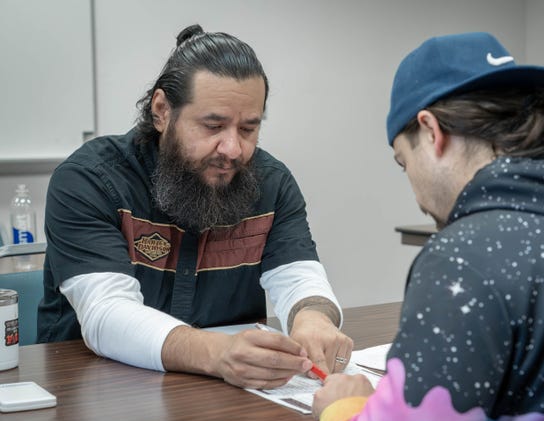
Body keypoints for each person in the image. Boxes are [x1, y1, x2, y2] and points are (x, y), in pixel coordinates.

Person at [312, 32, 544, 421]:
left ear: (430, 131)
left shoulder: (466, 257)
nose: (416, 194)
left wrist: (344, 410)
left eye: (403, 163)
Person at [37, 24, 353, 389]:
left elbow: (298, 276)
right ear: (162, 111)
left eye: (248, 129)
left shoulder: (272, 182)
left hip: (224, 396)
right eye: (213, 126)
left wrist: (313, 318)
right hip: (95, 391)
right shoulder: (89, 180)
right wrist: (218, 354)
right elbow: (107, 314)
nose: (233, 149)